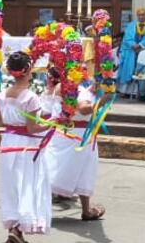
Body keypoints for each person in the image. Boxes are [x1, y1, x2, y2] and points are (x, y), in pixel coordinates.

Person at [0, 51, 52, 243]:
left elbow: (0, 121)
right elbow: (32, 128)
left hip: (8, 143)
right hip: (25, 146)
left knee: (11, 186)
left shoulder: (2, 94)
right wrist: (51, 124)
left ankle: (13, 231)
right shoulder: (31, 97)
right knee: (27, 185)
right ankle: (18, 229)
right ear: (28, 70)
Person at [45, 79, 107, 220]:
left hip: (67, 134)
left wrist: (91, 90)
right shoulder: (70, 87)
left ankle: (86, 210)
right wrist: (103, 100)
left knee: (58, 168)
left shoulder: (65, 85)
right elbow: (83, 109)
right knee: (74, 170)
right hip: (77, 135)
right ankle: (85, 210)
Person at [117, 8, 145, 98]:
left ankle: (140, 93)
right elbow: (127, 37)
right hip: (131, 51)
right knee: (128, 69)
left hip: (143, 50)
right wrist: (133, 44)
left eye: (143, 15)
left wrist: (140, 45)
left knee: (141, 70)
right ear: (137, 16)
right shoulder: (131, 25)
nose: (141, 16)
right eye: (139, 15)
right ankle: (126, 91)